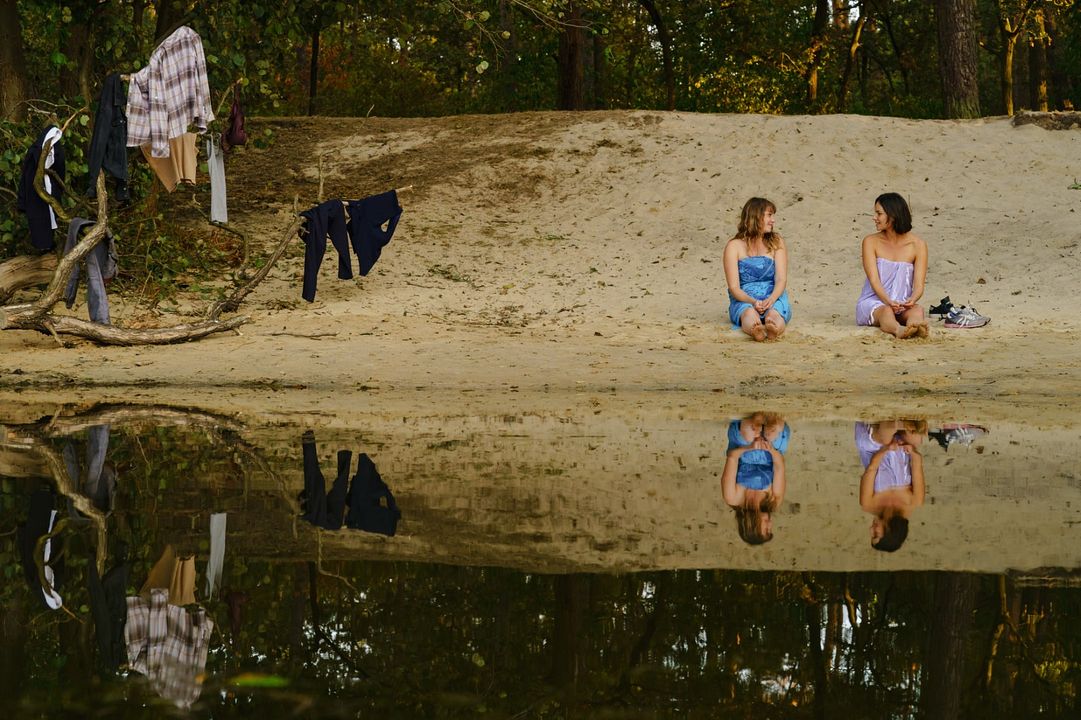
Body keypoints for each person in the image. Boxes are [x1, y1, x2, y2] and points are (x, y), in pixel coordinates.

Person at [856, 192, 929, 339]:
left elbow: (919, 285)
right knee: (886, 312)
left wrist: (912, 300)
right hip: (875, 302)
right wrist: (888, 301)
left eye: (879, 213)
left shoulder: (918, 245)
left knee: (917, 311)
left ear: (893, 215)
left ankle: (915, 328)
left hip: (901, 304)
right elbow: (874, 280)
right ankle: (898, 331)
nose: (874, 218)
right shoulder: (870, 242)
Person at [723, 197, 791, 341]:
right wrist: (753, 302)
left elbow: (781, 278)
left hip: (773, 294)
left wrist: (771, 299)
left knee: (774, 314)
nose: (773, 220)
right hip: (744, 297)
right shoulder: (733, 246)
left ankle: (774, 328)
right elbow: (734, 287)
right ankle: (756, 330)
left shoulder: (776, 241)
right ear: (755, 217)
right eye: (769, 215)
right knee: (748, 313)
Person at [855, 419, 926, 552]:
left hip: (874, 448)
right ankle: (904, 424)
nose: (871, 529)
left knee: (885, 438)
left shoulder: (867, 504)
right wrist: (913, 452)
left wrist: (885, 449)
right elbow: (917, 465)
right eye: (876, 534)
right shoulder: (915, 502)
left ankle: (900, 424)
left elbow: (871, 469)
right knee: (916, 439)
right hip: (900, 447)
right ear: (890, 532)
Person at [721, 412, 789, 545]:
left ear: (752, 527)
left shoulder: (733, 498)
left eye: (767, 528)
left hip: (743, 451)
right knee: (772, 435)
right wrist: (770, 449)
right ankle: (770, 425)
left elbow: (732, 457)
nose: (770, 523)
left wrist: (750, 447)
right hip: (770, 455)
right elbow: (779, 466)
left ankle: (756, 423)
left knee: (747, 435)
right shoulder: (774, 501)